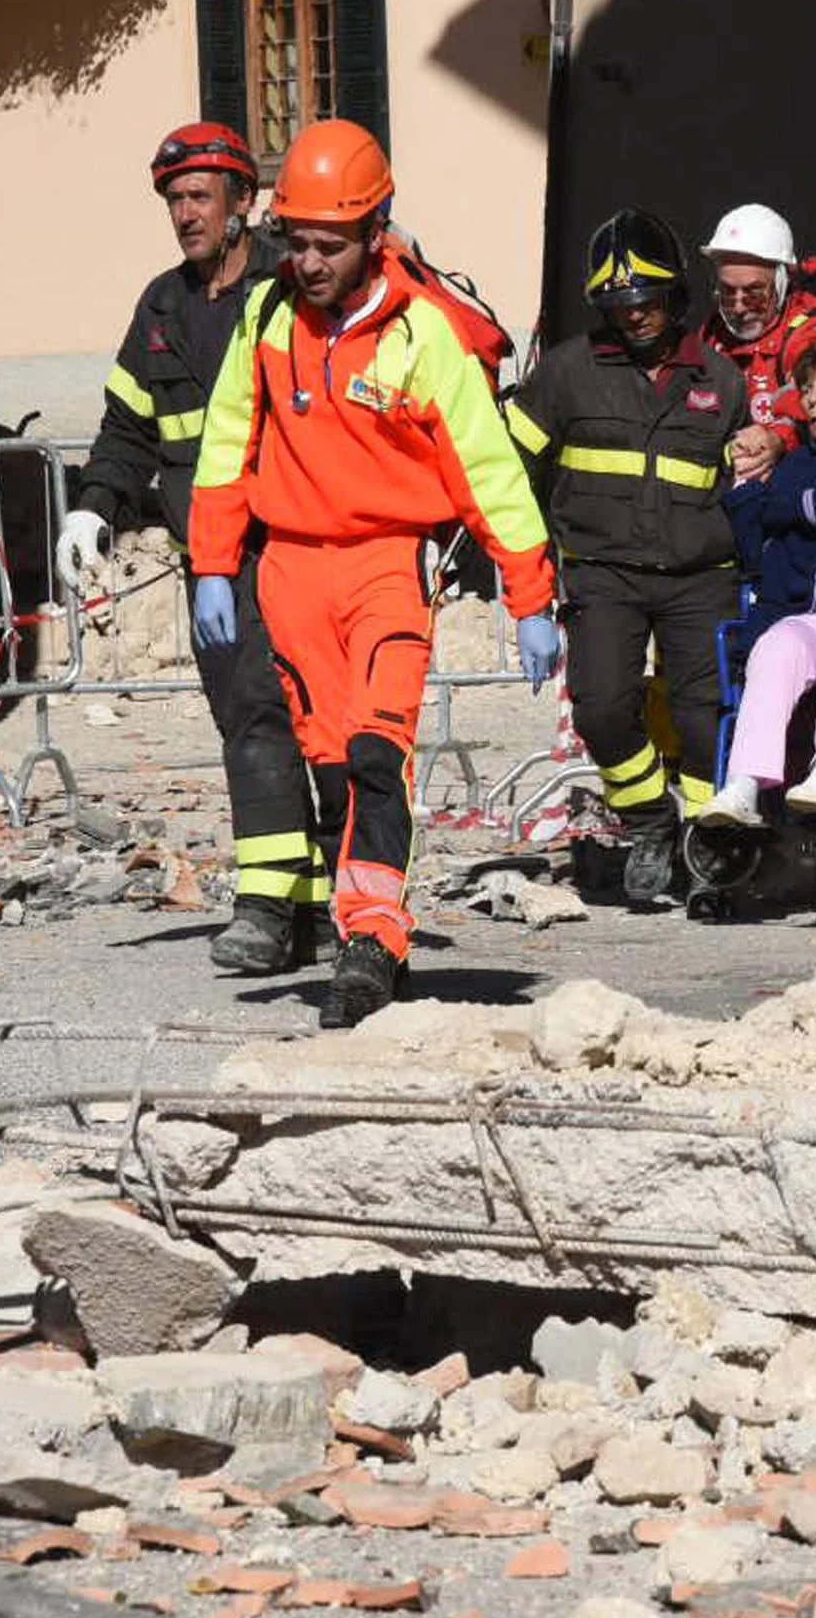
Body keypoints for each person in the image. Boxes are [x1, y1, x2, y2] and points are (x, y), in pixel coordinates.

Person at [189, 119, 564, 1028]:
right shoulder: (269, 320)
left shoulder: (422, 337)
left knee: (375, 753)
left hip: (388, 566)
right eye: (297, 243)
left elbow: (487, 470)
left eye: (328, 246)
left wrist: (531, 595)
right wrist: (210, 565)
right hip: (289, 573)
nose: (309, 263)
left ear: (374, 232)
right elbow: (226, 445)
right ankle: (352, 917)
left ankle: (372, 941)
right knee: (326, 761)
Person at [55, 122, 325, 976]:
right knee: (250, 717)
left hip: (301, 542)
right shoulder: (164, 308)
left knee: (309, 725)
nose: (184, 214)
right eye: (174, 199)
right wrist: (93, 506)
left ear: (244, 202)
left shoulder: (294, 290)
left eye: (199, 196)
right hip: (215, 557)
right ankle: (286, 905)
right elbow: (128, 428)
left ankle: (299, 905)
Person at [503, 210, 748, 906]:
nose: (635, 316)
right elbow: (507, 471)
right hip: (601, 575)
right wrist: (523, 576)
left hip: (703, 580)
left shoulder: (721, 383)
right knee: (604, 711)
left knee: (706, 720)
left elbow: (749, 491)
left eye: (646, 301)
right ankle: (650, 824)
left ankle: (706, 842)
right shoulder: (566, 374)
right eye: (620, 306)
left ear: (674, 295)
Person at [705, 339, 816, 828]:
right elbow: (754, 542)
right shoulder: (796, 463)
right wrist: (745, 490)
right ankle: (743, 784)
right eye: (807, 389)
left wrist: (796, 510)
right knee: (776, 646)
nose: (813, 400)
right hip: (800, 612)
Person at [703, 204, 816, 485]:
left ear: (781, 282)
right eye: (728, 293)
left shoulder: (808, 336)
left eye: (753, 294)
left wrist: (777, 439)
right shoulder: (711, 336)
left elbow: (812, 407)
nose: (739, 308)